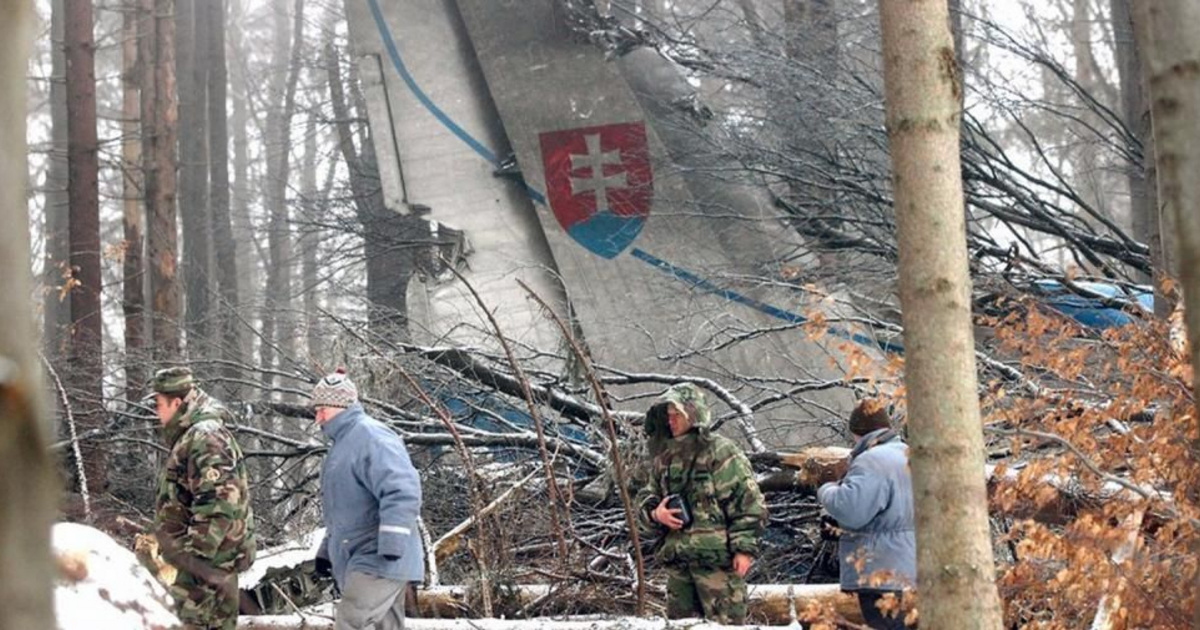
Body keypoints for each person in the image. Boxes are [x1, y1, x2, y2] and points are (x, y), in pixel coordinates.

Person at [634, 383, 767, 624]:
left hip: (718, 564)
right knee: (680, 625)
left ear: (693, 415)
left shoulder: (721, 452)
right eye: (668, 415)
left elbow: (748, 502)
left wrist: (744, 549)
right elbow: (644, 498)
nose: (671, 421)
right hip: (679, 565)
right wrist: (656, 514)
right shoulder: (663, 457)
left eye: (677, 415)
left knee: (726, 626)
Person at [311, 369, 424, 630]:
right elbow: (346, 510)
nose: (317, 419)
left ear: (340, 406)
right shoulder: (342, 445)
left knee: (351, 621)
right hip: (365, 553)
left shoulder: (371, 437)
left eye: (322, 410)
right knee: (386, 626)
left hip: (378, 555)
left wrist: (392, 543)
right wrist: (327, 550)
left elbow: (403, 489)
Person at [152, 366, 256, 630]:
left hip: (205, 571)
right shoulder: (192, 436)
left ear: (177, 403)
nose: (157, 413)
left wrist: (192, 565)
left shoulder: (205, 436)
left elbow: (218, 506)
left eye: (159, 405)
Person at [817, 399, 916, 630]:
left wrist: (826, 488)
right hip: (914, 569)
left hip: (881, 572)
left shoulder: (871, 461)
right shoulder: (909, 454)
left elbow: (851, 511)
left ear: (857, 433)